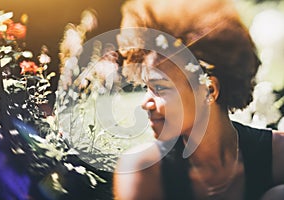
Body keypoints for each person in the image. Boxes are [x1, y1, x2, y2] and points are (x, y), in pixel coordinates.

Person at [112, 0, 284, 199]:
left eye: (159, 88)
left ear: (209, 90)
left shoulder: (279, 155)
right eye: (146, 88)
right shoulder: (143, 171)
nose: (145, 103)